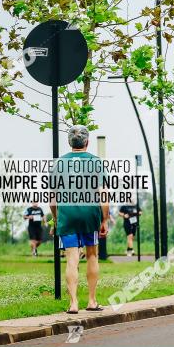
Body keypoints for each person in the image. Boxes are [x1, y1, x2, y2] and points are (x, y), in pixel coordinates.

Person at [50, 125, 110, 314]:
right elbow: (103, 194)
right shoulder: (96, 162)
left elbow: (52, 197)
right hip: (89, 215)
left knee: (71, 259)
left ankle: (73, 303)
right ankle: (92, 301)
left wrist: (56, 217)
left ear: (69, 142)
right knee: (92, 255)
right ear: (87, 142)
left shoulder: (59, 164)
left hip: (67, 215)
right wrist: (104, 219)